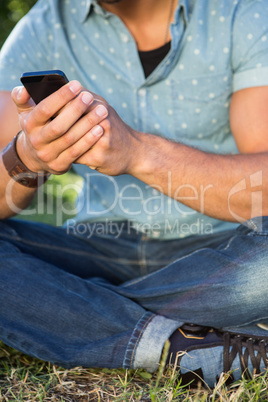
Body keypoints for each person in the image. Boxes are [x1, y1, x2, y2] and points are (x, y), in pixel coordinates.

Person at [0, 0, 268, 387]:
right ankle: (174, 344)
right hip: (97, 244)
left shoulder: (242, 11)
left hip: (223, 247)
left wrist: (138, 152)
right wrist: (27, 156)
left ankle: (66, 305)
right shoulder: (42, 26)